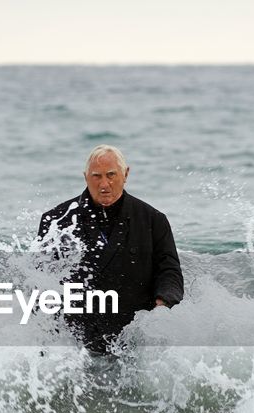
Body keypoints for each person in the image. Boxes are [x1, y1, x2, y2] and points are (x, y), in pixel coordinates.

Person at [38, 144, 183, 353]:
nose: (104, 184)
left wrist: (163, 304)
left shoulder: (153, 220)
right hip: (76, 341)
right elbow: (42, 279)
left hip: (131, 335)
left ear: (126, 174)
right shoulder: (57, 220)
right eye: (96, 176)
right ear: (85, 177)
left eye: (111, 175)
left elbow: (169, 271)